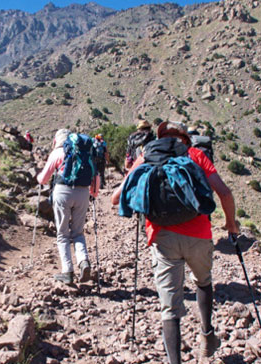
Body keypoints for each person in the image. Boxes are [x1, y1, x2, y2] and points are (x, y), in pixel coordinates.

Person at [111, 121, 240, 363]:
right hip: (199, 233)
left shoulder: (147, 155)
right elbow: (224, 192)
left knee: (169, 309)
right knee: (203, 283)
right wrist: (231, 225)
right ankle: (206, 334)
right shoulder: (196, 154)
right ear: (185, 138)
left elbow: (115, 198)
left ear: (160, 138)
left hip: (162, 237)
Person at [37, 129, 100, 284]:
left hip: (62, 192)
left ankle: (68, 272)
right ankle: (83, 261)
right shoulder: (85, 152)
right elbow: (96, 178)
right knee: (78, 232)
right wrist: (93, 193)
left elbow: (43, 179)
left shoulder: (57, 153)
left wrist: (38, 178)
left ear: (56, 141)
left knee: (63, 234)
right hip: (83, 193)